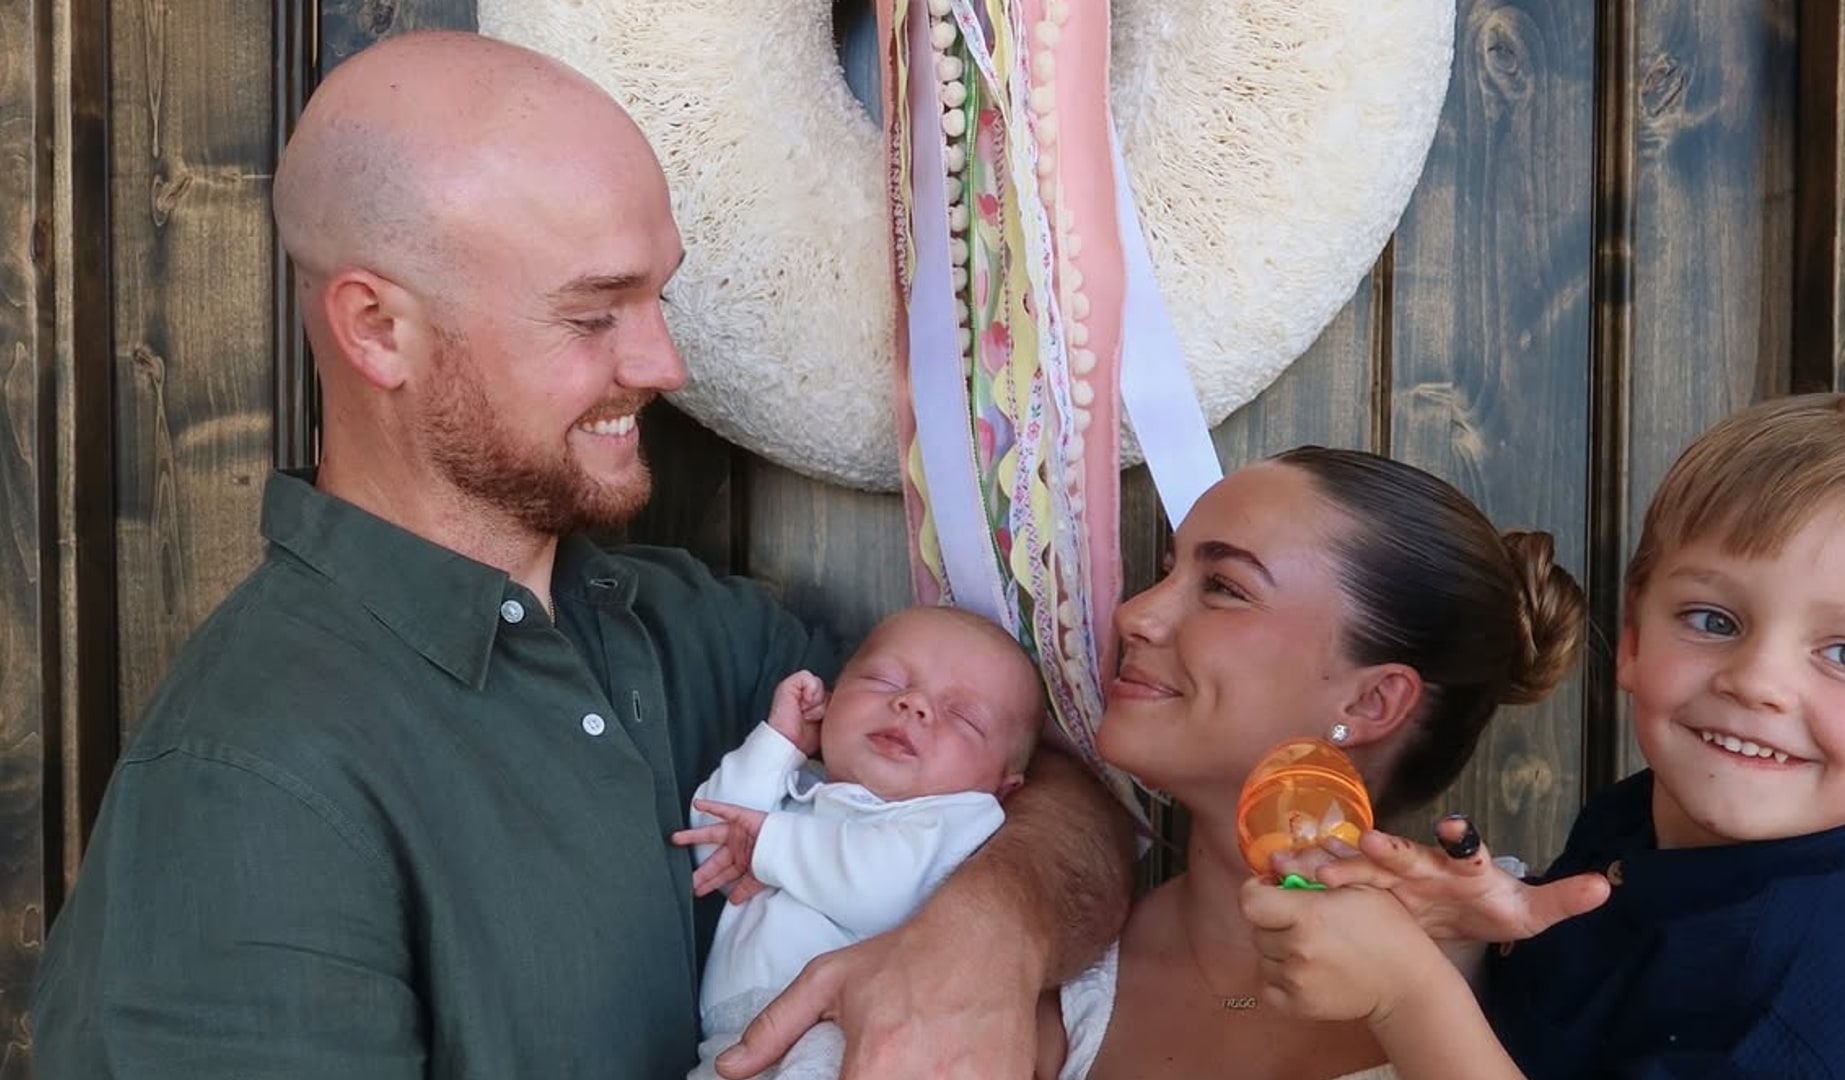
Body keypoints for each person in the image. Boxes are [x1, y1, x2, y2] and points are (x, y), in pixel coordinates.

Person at [29, 30, 1131, 1080]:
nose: (663, 363)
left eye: (659, 294)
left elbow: (1050, 793)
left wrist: (989, 934)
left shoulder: (695, 629)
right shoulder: (248, 788)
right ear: (377, 330)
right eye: (594, 315)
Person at [1246, 393, 1845, 1078]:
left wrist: (1408, 992)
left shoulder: (1805, 1030)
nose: (1756, 682)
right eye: (1713, 620)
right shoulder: (1639, 823)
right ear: (1631, 635)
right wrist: (1465, 950)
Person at [1033, 446, 1598, 1080]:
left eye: (1222, 588)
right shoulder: (1058, 983)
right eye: (1169, 572)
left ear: (1370, 700)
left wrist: (1409, 996)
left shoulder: (1533, 961)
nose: (1133, 615)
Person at [675, 606, 1044, 1078]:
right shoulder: (802, 795)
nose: (914, 704)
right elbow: (717, 846)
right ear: (832, 697)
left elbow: (879, 888)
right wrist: (779, 743)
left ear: (1002, 786)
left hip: (845, 1036)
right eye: (885, 682)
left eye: (963, 716)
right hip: (732, 1042)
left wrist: (768, 844)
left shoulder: (956, 821)